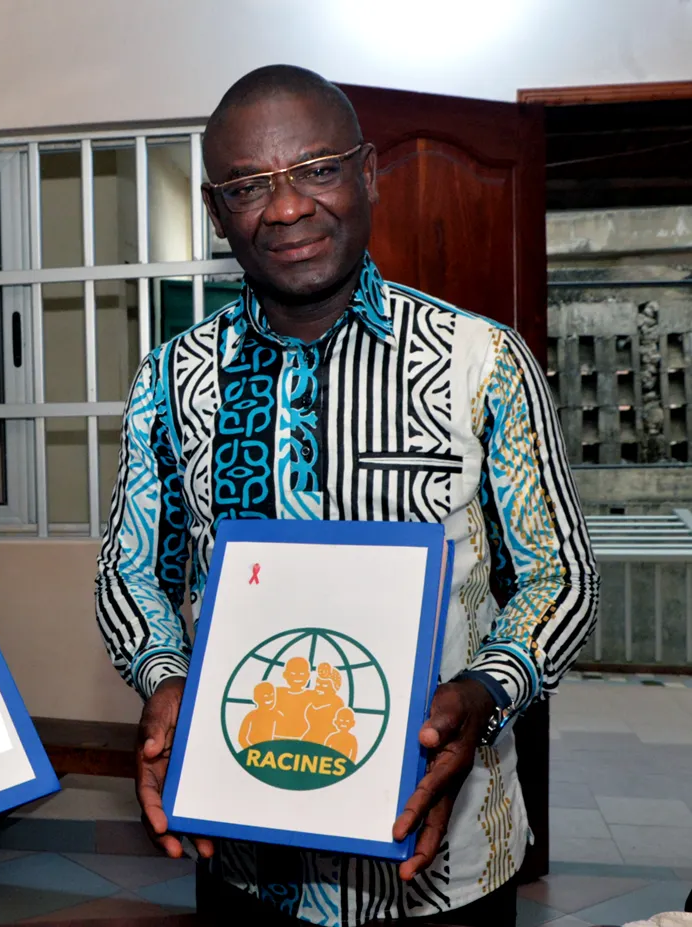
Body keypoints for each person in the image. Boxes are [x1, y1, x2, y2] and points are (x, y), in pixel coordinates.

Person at [95, 64, 598, 926]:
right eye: (249, 186)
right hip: (248, 857)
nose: (286, 208)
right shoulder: (173, 379)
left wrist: (482, 693)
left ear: (367, 175)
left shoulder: (482, 362)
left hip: (446, 864)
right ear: (219, 212)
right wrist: (163, 675)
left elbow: (560, 579)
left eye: (317, 170)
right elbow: (131, 572)